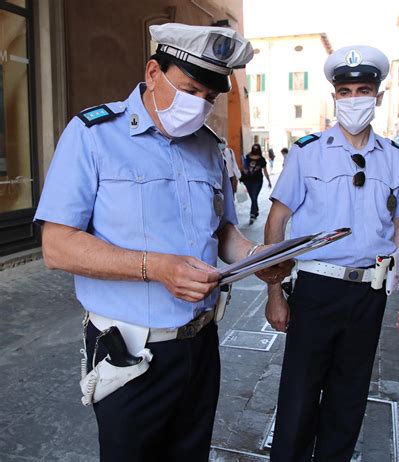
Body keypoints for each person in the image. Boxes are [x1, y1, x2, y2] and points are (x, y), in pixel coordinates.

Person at [34, 23, 292, 462]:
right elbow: (57, 246)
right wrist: (158, 267)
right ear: (153, 72)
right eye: (190, 89)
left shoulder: (209, 148)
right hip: (128, 351)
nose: (200, 106)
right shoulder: (93, 134)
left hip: (199, 345)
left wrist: (253, 257)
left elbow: (223, 230)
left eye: (209, 98)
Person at [264, 45, 399, 462]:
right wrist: (274, 292)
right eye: (346, 90)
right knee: (298, 396)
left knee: (349, 397)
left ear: (378, 96)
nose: (354, 98)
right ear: (335, 96)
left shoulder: (395, 159)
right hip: (315, 289)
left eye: (363, 89)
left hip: (369, 294)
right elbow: (277, 222)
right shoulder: (307, 151)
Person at [242, 143, 272, 224]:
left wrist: (269, 181)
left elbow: (265, 171)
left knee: (254, 196)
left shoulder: (261, 159)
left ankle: (252, 214)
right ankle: (256, 211)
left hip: (258, 181)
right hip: (248, 180)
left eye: (256, 148)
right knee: (253, 197)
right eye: (254, 148)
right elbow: (244, 167)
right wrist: (245, 171)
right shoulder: (247, 157)